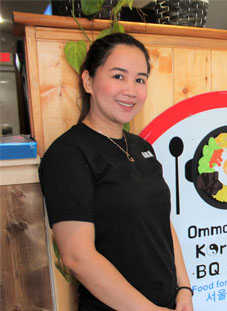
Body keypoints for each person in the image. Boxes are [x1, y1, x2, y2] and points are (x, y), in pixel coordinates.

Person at [39, 33, 193, 311]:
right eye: (118, 76)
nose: (131, 90)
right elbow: (78, 257)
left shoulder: (141, 146)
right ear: (88, 81)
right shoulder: (69, 154)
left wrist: (184, 288)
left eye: (140, 79)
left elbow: (161, 222)